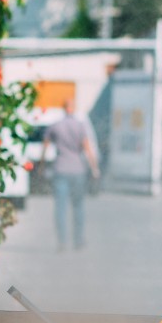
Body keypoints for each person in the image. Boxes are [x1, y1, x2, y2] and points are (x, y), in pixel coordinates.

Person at [42, 104, 99, 249]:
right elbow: (87, 148)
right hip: (78, 170)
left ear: (63, 109)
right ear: (72, 109)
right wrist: (94, 168)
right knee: (78, 206)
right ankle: (78, 240)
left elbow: (46, 144)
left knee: (60, 208)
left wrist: (42, 164)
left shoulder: (56, 126)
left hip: (60, 169)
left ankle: (62, 242)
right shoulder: (80, 126)